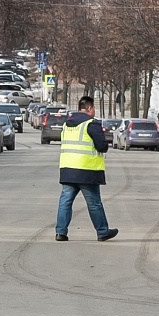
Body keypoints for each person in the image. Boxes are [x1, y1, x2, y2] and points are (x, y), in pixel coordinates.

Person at [55, 95, 118, 242]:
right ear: (89, 108)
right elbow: (102, 146)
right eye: (94, 108)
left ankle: (60, 232)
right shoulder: (91, 124)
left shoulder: (67, 124)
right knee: (94, 203)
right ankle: (102, 232)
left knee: (65, 201)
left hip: (67, 169)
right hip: (86, 171)